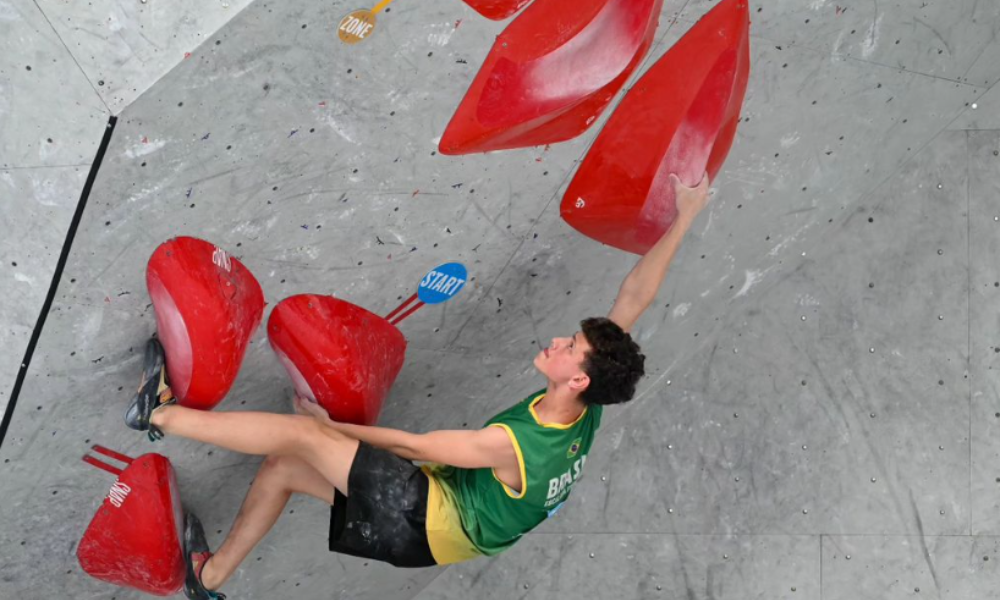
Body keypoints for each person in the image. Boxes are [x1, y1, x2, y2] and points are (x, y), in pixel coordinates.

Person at [124, 174, 712, 600]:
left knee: (302, 436)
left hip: (423, 518)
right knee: (281, 468)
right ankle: (209, 580)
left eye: (568, 348)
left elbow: (413, 446)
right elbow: (635, 298)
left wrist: (325, 429)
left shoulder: (514, 445)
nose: (557, 342)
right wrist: (687, 212)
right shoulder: (589, 401)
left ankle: (159, 415)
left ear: (577, 377)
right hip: (451, 528)